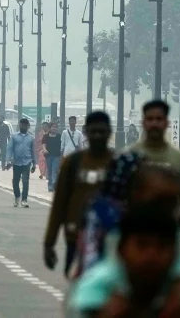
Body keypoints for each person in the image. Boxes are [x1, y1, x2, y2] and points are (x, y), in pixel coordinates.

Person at [70, 203, 180, 317]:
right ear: (121, 250)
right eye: (142, 245)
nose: (152, 254)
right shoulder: (96, 291)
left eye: (162, 246)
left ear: (174, 253)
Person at [43, 110, 114, 278]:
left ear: (109, 133)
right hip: (75, 234)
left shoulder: (117, 164)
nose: (97, 136)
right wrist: (49, 243)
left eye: (102, 131)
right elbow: (59, 204)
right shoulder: (73, 163)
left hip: (110, 238)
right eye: (93, 131)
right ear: (86, 133)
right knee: (77, 281)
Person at [131, 100, 180, 223]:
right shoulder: (129, 156)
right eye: (150, 119)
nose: (154, 123)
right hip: (136, 228)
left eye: (159, 119)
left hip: (171, 229)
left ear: (166, 123)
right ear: (143, 123)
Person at [6, 117, 36, 208]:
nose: (23, 126)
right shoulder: (14, 136)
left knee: (25, 181)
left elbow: (33, 151)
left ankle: (24, 200)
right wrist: (8, 160)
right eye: (22, 125)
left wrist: (34, 163)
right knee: (15, 181)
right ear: (19, 125)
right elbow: (10, 148)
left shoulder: (31, 138)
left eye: (25, 125)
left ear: (28, 126)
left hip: (27, 162)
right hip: (16, 162)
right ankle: (17, 197)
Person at [43, 121, 63, 192]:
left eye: (55, 127)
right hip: (48, 156)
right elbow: (44, 144)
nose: (54, 128)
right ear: (50, 128)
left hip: (56, 156)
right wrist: (44, 149)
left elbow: (61, 146)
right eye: (52, 127)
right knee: (50, 171)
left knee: (54, 170)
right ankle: (50, 185)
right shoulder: (46, 136)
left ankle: (54, 183)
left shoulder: (59, 136)